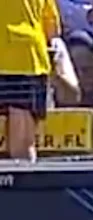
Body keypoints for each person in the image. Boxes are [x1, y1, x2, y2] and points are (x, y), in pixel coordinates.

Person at [1, 0, 62, 162]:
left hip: (22, 59)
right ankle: (25, 176)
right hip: (29, 58)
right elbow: (52, 29)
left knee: (22, 137)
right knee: (23, 140)